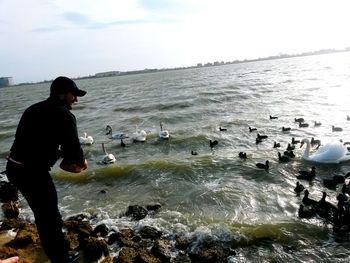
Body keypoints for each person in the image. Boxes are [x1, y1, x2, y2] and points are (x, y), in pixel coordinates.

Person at [5, 76, 88, 263]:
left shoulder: (33, 109)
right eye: (73, 94)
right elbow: (74, 151)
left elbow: (32, 141)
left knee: (45, 215)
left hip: (14, 168)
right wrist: (81, 163)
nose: (76, 99)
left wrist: (61, 156)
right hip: (32, 172)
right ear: (61, 95)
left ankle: (59, 255)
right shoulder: (65, 115)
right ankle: (60, 259)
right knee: (49, 217)